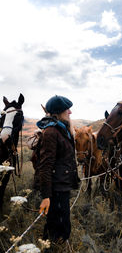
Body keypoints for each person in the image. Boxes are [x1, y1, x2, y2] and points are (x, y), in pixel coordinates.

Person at [36, 95, 79, 243]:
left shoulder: (61, 130)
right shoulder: (51, 132)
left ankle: (52, 252)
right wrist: (46, 196)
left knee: (60, 225)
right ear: (58, 112)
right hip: (56, 189)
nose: (70, 113)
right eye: (67, 110)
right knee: (59, 229)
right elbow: (46, 166)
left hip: (62, 186)